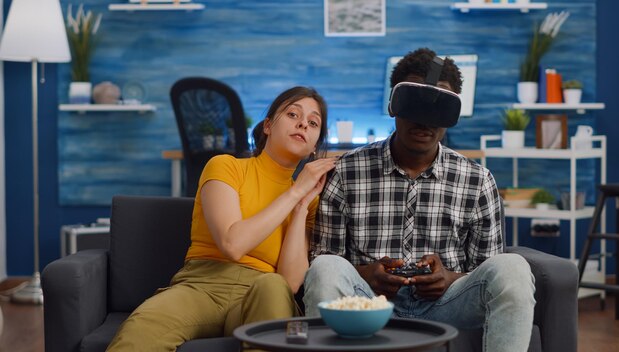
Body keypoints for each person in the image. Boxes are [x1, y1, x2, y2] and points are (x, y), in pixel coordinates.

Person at [304, 48, 536, 351]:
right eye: (415, 103)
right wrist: (369, 274)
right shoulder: (347, 170)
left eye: (438, 106)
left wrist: (448, 277)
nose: (424, 121)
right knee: (325, 268)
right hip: (367, 302)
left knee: (513, 267)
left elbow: (485, 271)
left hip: (447, 305)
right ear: (395, 103)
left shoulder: (478, 180)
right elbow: (325, 260)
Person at [107, 86, 337, 351]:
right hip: (202, 286)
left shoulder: (309, 203)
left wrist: (299, 207)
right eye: (292, 114)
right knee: (141, 329)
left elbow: (291, 281)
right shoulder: (225, 166)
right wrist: (296, 190)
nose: (302, 125)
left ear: (314, 148)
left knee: (274, 286)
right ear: (268, 126)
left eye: (313, 122)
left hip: (260, 293)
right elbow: (232, 244)